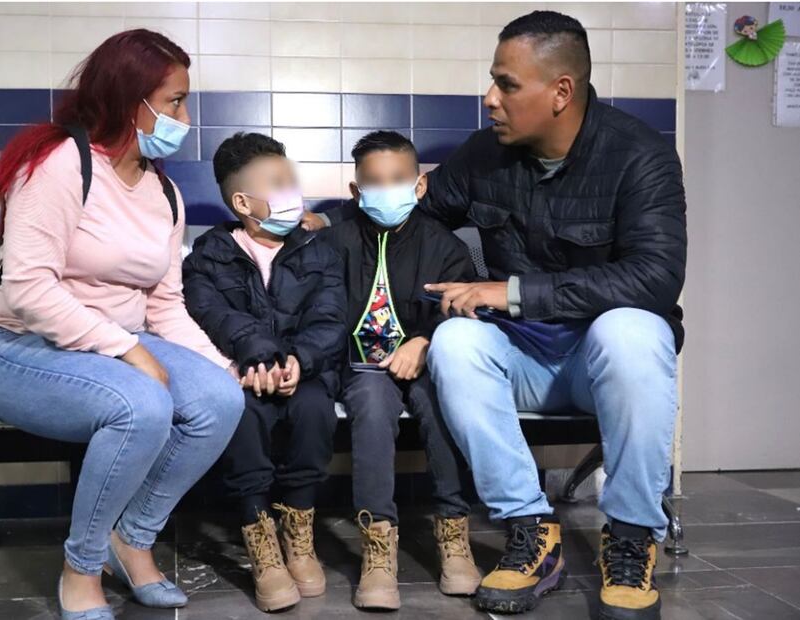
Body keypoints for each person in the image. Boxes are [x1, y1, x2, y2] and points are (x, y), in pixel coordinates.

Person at [405, 11, 683, 620]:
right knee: (455, 341)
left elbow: (655, 278)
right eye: (493, 81)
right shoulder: (484, 155)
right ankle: (531, 530)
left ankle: (631, 538)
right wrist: (329, 225)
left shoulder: (640, 155)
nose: (490, 98)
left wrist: (508, 291)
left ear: (561, 91)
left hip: (600, 363)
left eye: (506, 84)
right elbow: (416, 221)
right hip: (522, 358)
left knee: (634, 329)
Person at [0, 30, 244, 620]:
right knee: (141, 405)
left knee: (221, 400)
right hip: (19, 345)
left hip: (114, 347)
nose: (185, 119)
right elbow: (29, 288)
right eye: (174, 102)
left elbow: (165, 306)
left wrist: (223, 366)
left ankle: (133, 538)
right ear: (128, 100)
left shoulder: (164, 193)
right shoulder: (60, 166)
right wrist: (127, 349)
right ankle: (82, 566)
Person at [182, 133, 346, 613]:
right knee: (244, 413)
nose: (294, 192)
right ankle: (260, 536)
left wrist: (300, 360)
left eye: (293, 180)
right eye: (279, 183)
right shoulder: (210, 254)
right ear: (243, 202)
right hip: (244, 372)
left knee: (315, 411)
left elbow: (330, 317)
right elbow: (211, 312)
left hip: (304, 372)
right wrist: (256, 356)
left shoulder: (318, 250)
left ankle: (299, 531)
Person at [319, 131, 482, 610]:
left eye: (397, 179)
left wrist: (425, 342)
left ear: (420, 185)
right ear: (356, 191)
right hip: (359, 366)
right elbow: (319, 312)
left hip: (426, 362)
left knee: (441, 401)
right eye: (374, 182)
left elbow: (467, 310)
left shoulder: (445, 247)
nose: (386, 190)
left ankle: (453, 534)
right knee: (371, 405)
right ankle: (378, 545)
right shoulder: (333, 244)